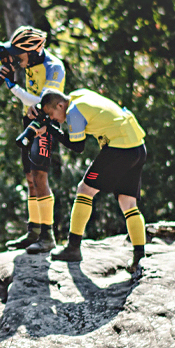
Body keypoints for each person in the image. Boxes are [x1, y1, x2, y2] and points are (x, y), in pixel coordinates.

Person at [34, 88, 148, 274]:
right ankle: (139, 256)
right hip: (137, 147)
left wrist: (51, 130)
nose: (53, 118)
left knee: (84, 190)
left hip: (119, 149)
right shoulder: (80, 95)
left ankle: (73, 248)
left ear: (60, 105)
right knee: (127, 202)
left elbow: (77, 146)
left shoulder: (73, 112)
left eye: (51, 113)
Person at [0, 26, 66, 254]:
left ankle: (48, 236)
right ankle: (33, 231)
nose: (16, 58)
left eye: (19, 53)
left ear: (33, 51)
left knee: (40, 176)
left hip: (45, 125)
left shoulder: (54, 68)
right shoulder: (26, 58)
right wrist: (0, 50)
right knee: (30, 177)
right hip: (27, 122)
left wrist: (12, 86)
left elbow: (42, 102)